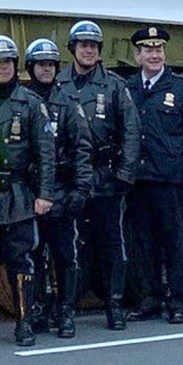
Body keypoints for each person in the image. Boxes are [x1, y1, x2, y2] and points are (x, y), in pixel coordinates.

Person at [0, 36, 58, 347]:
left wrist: (45, 194)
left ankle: (24, 323)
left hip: (18, 194)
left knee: (21, 260)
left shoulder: (31, 103)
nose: (4, 68)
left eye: (8, 62)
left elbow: (47, 153)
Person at [53, 19, 140, 329]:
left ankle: (114, 304)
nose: (88, 50)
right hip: (71, 180)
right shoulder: (58, 83)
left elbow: (131, 132)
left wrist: (125, 175)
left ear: (100, 51)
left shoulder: (115, 86)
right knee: (70, 244)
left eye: (93, 45)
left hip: (106, 178)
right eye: (82, 44)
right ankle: (67, 306)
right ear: (73, 48)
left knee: (111, 242)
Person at [125, 24, 183, 323]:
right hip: (139, 180)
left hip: (171, 180)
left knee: (175, 242)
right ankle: (149, 297)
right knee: (143, 243)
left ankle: (177, 301)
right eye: (148, 49)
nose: (154, 55)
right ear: (137, 55)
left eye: (158, 49)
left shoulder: (181, 89)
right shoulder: (129, 88)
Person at [21, 37, 93, 335]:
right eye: (41, 64)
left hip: (63, 191)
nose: (47, 70)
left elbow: (82, 148)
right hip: (31, 190)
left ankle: (65, 311)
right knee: (33, 255)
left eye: (51, 64)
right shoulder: (22, 101)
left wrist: (81, 189)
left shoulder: (68, 102)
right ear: (31, 67)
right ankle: (37, 309)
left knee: (65, 254)